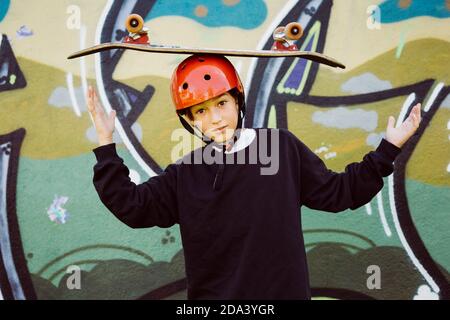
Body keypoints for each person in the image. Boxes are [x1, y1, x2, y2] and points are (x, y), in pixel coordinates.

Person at [88, 54, 421, 300]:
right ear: (189, 120)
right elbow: (131, 205)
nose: (215, 119)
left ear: (238, 99)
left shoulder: (281, 149)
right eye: (200, 111)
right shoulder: (184, 174)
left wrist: (388, 150)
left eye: (221, 103)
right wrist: (106, 144)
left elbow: (340, 192)